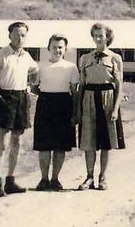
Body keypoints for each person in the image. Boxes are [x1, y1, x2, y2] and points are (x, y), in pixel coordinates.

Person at [0, 22, 38, 197]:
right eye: (16, 35)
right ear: (9, 36)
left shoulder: (27, 56)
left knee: (17, 142)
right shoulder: (0, 54)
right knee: (3, 144)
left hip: (21, 98)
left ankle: (10, 181)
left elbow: (35, 70)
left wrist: (29, 87)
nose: (19, 38)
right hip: (5, 98)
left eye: (23, 35)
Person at [76, 22, 125, 191]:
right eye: (95, 35)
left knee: (106, 141)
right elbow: (81, 85)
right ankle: (89, 177)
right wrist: (78, 108)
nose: (98, 39)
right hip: (89, 99)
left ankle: (102, 177)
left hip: (108, 99)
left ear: (107, 38)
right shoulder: (85, 58)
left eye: (101, 36)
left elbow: (119, 85)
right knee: (89, 141)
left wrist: (116, 108)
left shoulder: (115, 58)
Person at [31, 33, 80, 191]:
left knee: (60, 146)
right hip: (45, 105)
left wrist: (75, 113)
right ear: (48, 48)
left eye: (60, 47)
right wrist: (46, 96)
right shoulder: (41, 65)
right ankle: (44, 179)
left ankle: (55, 179)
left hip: (64, 105)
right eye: (54, 47)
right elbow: (34, 87)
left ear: (65, 49)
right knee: (44, 146)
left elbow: (75, 91)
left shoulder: (71, 67)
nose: (57, 50)